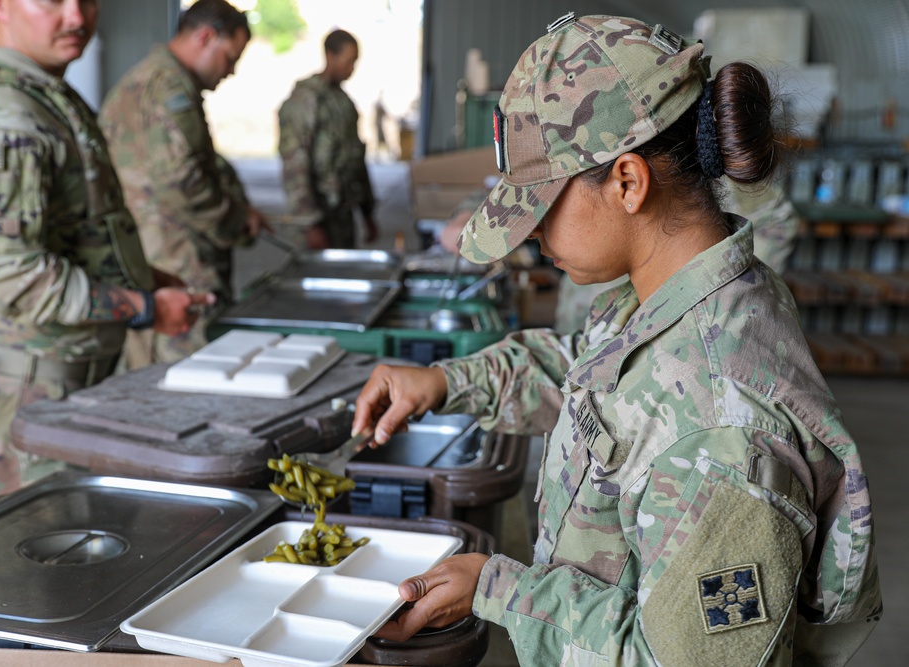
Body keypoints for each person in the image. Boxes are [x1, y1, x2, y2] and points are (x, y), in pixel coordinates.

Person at [352, 14, 881, 665]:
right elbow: (601, 376)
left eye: (542, 208)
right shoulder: (680, 292)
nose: (535, 238)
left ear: (628, 182)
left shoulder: (723, 442)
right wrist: (449, 380)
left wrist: (498, 588)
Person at [0, 0, 211, 514]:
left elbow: (79, 234)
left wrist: (145, 280)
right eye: (52, 0)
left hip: (70, 386)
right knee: (26, 584)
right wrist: (143, 308)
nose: (77, 17)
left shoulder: (48, 96)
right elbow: (10, 273)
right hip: (27, 400)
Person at [99, 0, 268, 368]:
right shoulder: (168, 88)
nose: (232, 70)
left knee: (151, 368)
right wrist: (234, 221)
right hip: (177, 257)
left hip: (150, 248)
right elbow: (182, 183)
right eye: (229, 57)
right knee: (189, 368)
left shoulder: (150, 79)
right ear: (205, 37)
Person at [554, 178, 801, 334]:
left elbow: (778, 219)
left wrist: (726, 284)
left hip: (677, 314)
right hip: (606, 312)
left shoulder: (713, 175)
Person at [278, 29, 378, 250]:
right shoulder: (306, 100)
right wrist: (309, 223)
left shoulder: (343, 103)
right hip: (316, 218)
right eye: (348, 61)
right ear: (329, 56)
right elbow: (295, 166)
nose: (351, 69)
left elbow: (356, 159)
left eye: (355, 62)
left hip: (342, 216)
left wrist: (367, 212)